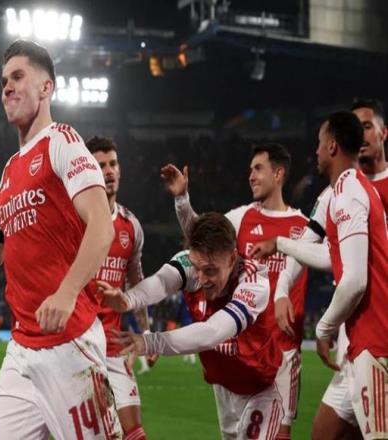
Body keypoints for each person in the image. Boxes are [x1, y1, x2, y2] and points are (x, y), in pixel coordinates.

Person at [0, 40, 122, 439]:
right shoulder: (11, 170)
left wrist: (67, 291)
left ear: (46, 88)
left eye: (18, 77)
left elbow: (102, 225)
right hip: (22, 351)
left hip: (71, 346)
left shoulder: (63, 142)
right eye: (3, 81)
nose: (7, 87)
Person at [250, 100, 388, 439]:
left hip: (376, 335)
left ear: (332, 146)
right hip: (358, 335)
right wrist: (280, 246)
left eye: (319, 143)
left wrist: (324, 329)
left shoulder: (350, 192)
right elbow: (330, 255)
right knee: (324, 432)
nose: (315, 151)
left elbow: (354, 280)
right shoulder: (342, 191)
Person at [161, 143, 308, 439]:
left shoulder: (304, 227)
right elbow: (202, 238)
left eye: (258, 169)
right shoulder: (242, 218)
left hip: (282, 352)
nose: (251, 176)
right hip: (242, 355)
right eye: (250, 169)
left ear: (278, 174)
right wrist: (182, 200)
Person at [99, 212, 284, 439]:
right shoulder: (193, 263)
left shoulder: (254, 282)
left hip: (260, 388)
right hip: (223, 386)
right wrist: (128, 300)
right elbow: (162, 282)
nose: (202, 278)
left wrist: (148, 342)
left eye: (210, 270)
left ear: (232, 259)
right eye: (197, 268)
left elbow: (213, 332)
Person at [86, 136, 151, 440]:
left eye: (113, 164)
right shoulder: (75, 221)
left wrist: (146, 332)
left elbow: (137, 284)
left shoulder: (130, 225)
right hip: (80, 346)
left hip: (114, 345)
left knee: (135, 433)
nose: (109, 171)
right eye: (100, 166)